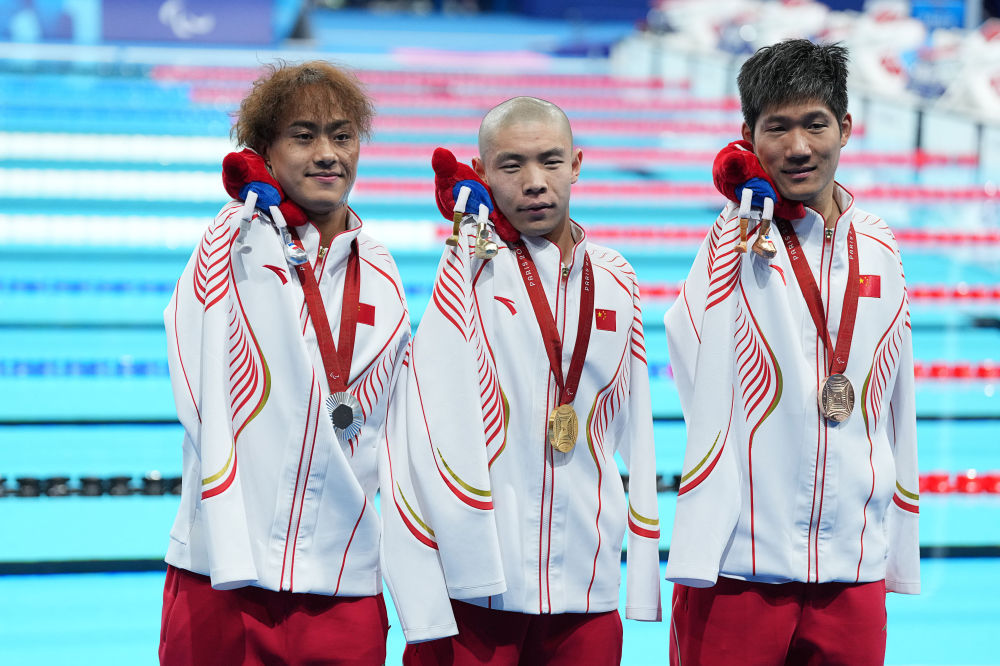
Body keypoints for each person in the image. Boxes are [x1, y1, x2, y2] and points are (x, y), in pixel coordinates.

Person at [159, 60, 456, 665]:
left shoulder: (383, 271)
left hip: (342, 581)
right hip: (223, 572)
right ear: (264, 151)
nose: (326, 154)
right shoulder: (234, 244)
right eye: (303, 136)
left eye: (342, 136)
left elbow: (405, 427)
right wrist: (245, 213)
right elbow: (196, 377)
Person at [663, 40, 919, 665]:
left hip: (853, 568)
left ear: (846, 128)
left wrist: (895, 543)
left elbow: (898, 401)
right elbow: (691, 354)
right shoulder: (735, 236)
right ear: (747, 139)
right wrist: (742, 215)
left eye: (815, 124)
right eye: (777, 128)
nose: (799, 147)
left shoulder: (880, 246)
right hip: (739, 566)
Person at [402, 96, 662, 665]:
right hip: (477, 584)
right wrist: (467, 238)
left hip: (586, 580)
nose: (535, 182)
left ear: (577, 164)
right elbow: (428, 415)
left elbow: (635, 424)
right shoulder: (472, 267)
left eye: (550, 160)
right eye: (511, 165)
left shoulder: (617, 278)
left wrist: (640, 564)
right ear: (482, 173)